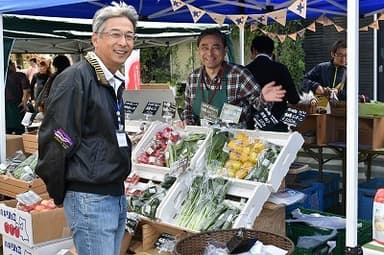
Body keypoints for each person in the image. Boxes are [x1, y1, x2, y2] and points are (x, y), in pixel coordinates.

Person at [36, 4, 138, 255]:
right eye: (115, 34)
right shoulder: (76, 79)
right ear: (95, 39)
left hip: (113, 193)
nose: (123, 42)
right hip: (90, 198)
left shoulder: (112, 81)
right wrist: (63, 193)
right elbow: (55, 140)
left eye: (129, 36)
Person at [182, 28, 286, 126]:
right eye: (204, 48)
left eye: (216, 47)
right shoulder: (193, 78)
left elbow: (259, 106)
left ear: (225, 50)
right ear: (198, 50)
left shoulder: (239, 74)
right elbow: (188, 108)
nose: (209, 53)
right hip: (201, 140)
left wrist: (264, 98)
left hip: (234, 140)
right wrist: (187, 122)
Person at [245, 35, 300, 131]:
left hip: (252, 125)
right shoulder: (281, 69)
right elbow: (294, 98)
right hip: (277, 123)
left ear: (254, 50)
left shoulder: (245, 71)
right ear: (271, 52)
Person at [5, 61, 31, 134]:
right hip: (18, 106)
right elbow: (26, 90)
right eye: (13, 64)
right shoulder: (20, 75)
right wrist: (24, 102)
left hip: (5, 107)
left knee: (7, 133)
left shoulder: (2, 77)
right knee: (19, 131)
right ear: (11, 65)